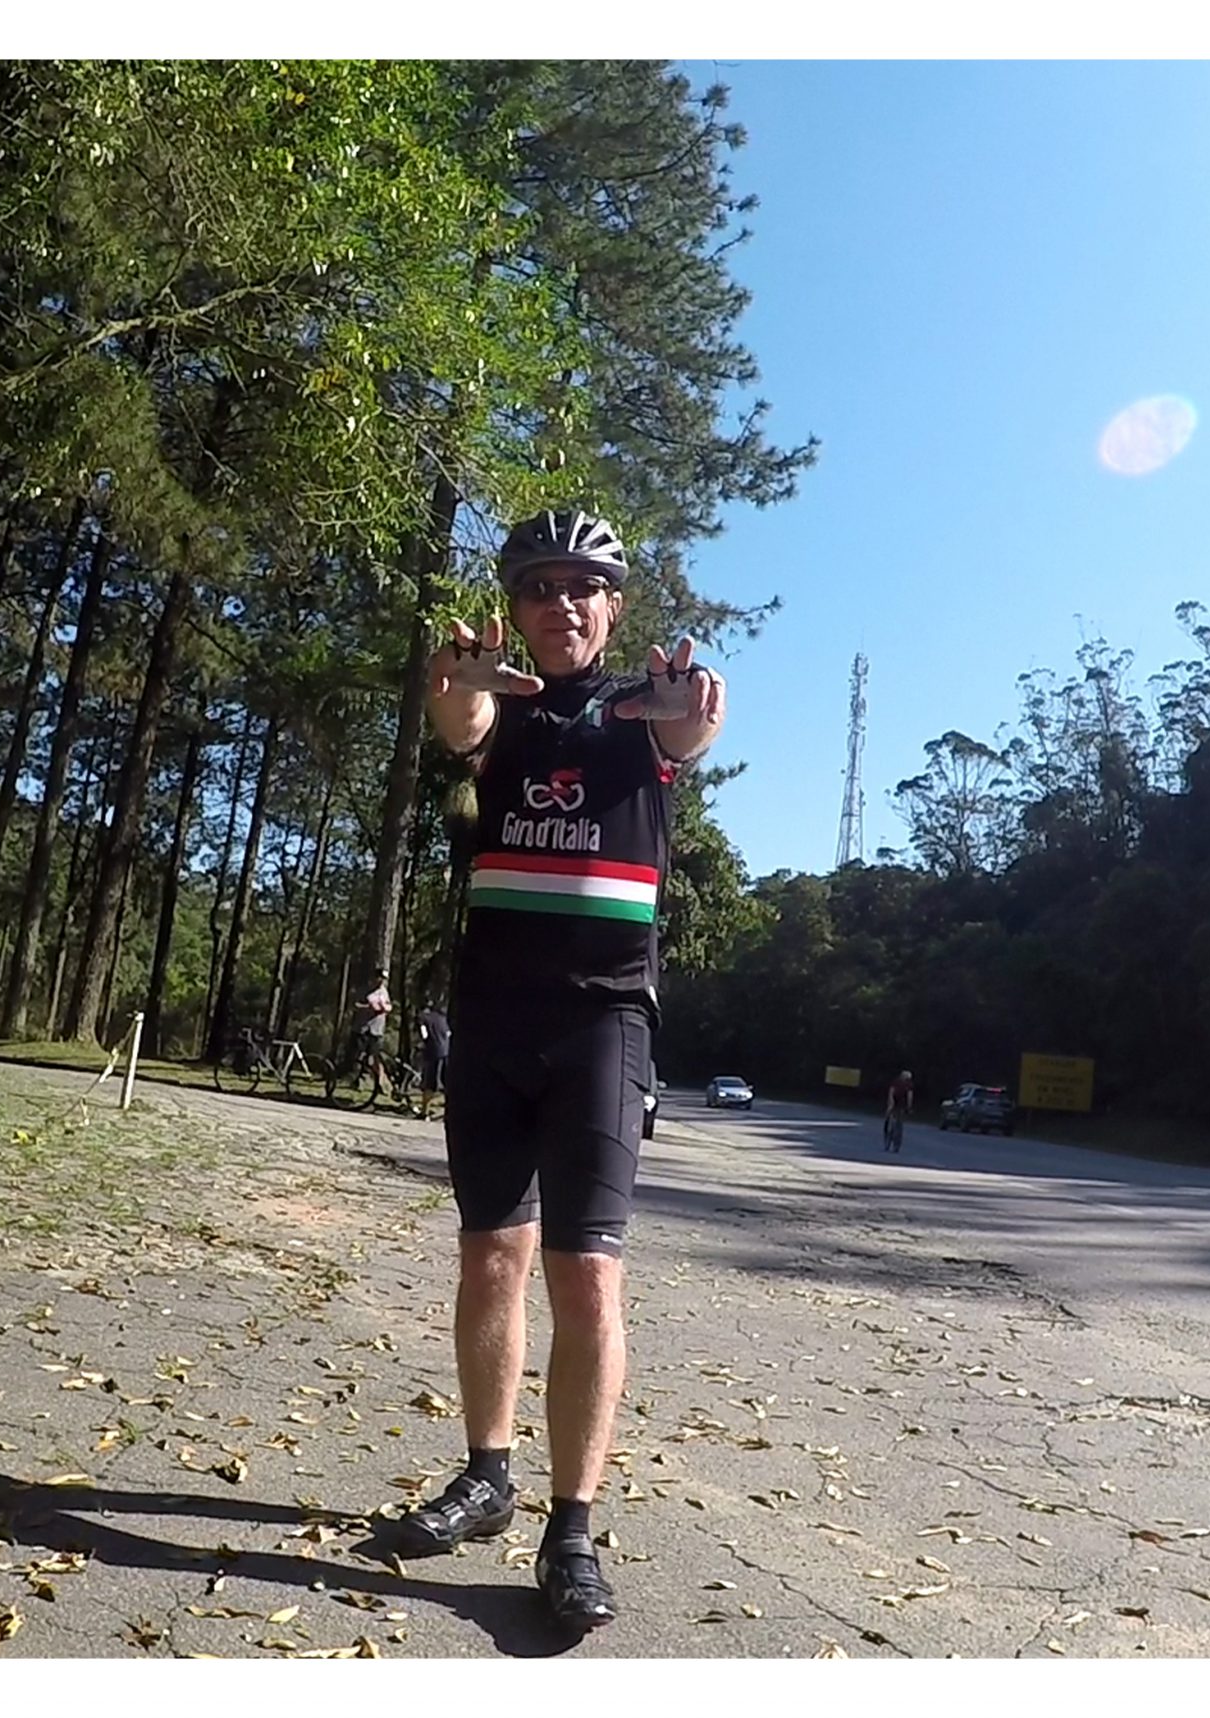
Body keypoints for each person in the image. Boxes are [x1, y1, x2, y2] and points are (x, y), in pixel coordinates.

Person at [394, 508, 725, 1634]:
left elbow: (689, 731)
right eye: (539, 586)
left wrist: (689, 712)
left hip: (603, 1023)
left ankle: (569, 1528)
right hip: (493, 1016)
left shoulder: (642, 711)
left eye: (582, 586)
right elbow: (461, 720)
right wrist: (453, 684)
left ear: (612, 607)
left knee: (586, 1276)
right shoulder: (504, 704)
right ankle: (487, 1474)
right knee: (491, 1254)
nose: (560, 603)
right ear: (518, 606)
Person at [347, 968, 393, 1102]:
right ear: (375, 977)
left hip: (377, 1030)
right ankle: (359, 1080)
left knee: (375, 1058)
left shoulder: (384, 991)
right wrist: (367, 1007)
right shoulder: (364, 990)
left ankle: (381, 1084)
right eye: (380, 978)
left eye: (384, 979)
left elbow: (388, 1005)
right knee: (360, 1056)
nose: (381, 981)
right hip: (363, 1028)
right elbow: (355, 1005)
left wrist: (386, 1008)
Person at [415, 999, 450, 1120]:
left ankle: (424, 1112)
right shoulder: (442, 1018)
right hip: (446, 1051)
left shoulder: (422, 1018)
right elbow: (448, 1034)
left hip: (433, 1052)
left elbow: (424, 1035)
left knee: (430, 1084)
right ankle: (449, 1110)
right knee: (447, 1083)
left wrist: (421, 1045)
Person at [884, 1068, 915, 1152]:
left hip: (895, 1104)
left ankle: (888, 1140)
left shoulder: (896, 1081)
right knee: (899, 1125)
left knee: (891, 1122)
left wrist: (890, 1103)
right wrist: (909, 1107)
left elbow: (891, 1092)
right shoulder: (908, 1084)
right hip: (901, 1105)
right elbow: (909, 1097)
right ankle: (896, 1145)